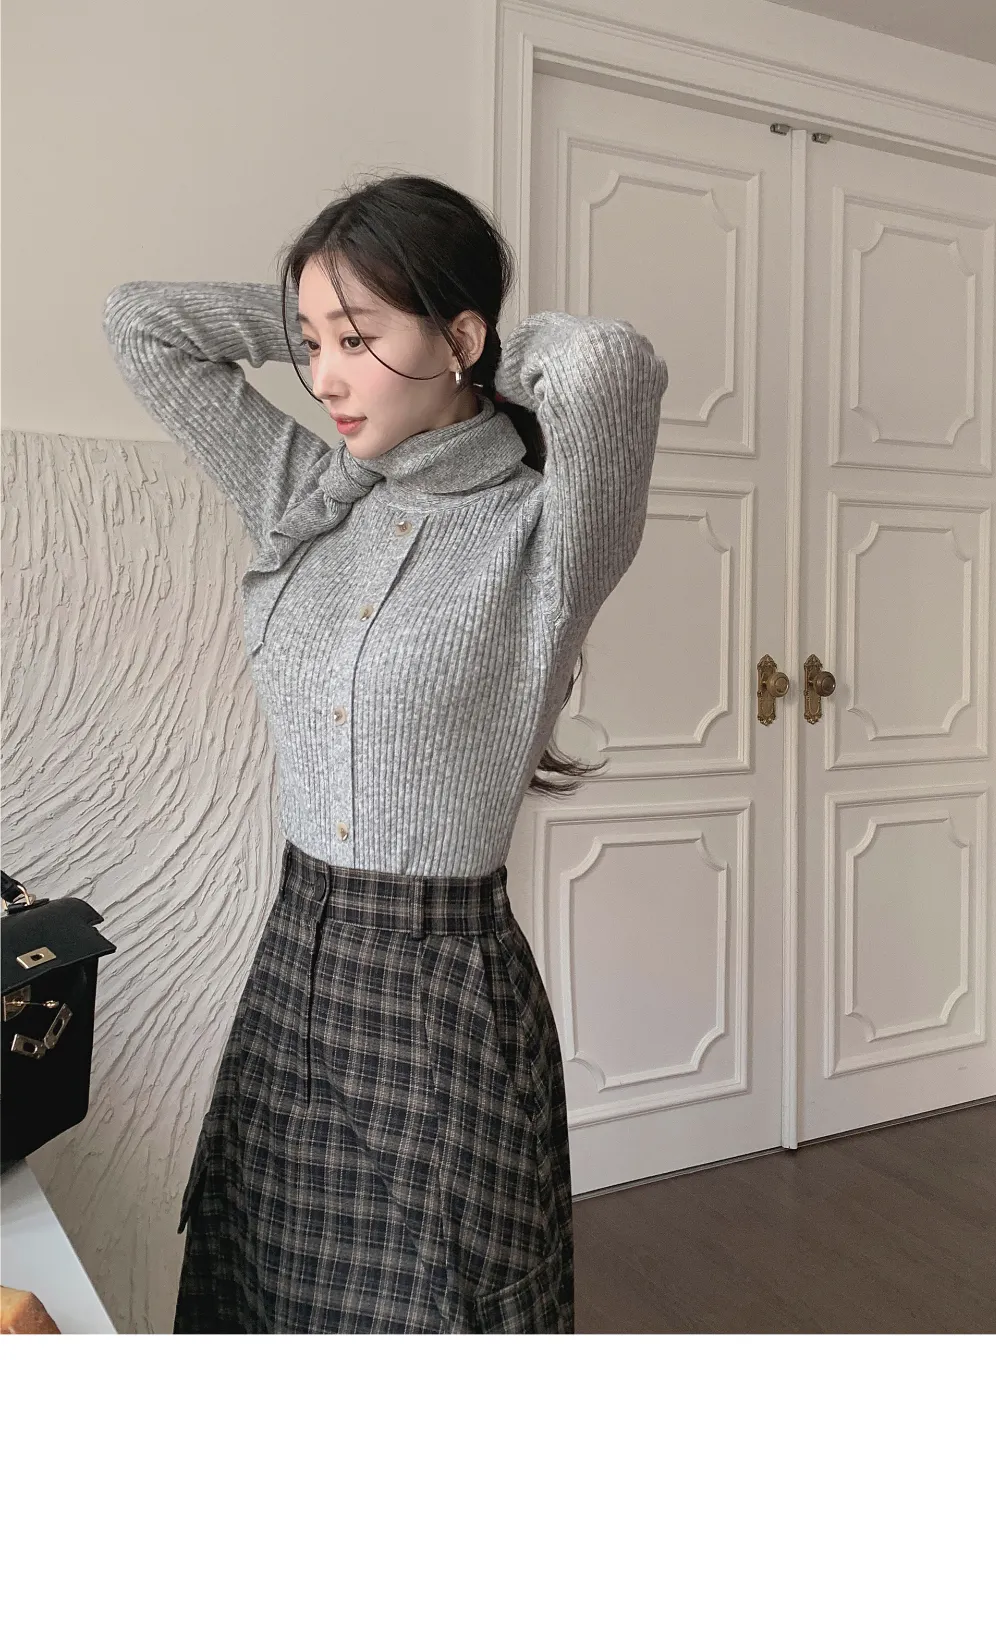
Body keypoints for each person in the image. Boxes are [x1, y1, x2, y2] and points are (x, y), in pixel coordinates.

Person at [102, 172, 669, 1334]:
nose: (323, 377)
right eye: (311, 344)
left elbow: (608, 364)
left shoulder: (544, 534)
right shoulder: (305, 492)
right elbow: (141, 325)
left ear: (459, 339)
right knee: (262, 1306)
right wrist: (332, 315)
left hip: (443, 996)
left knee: (436, 1320)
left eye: (355, 341)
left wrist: (472, 343)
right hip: (293, 972)